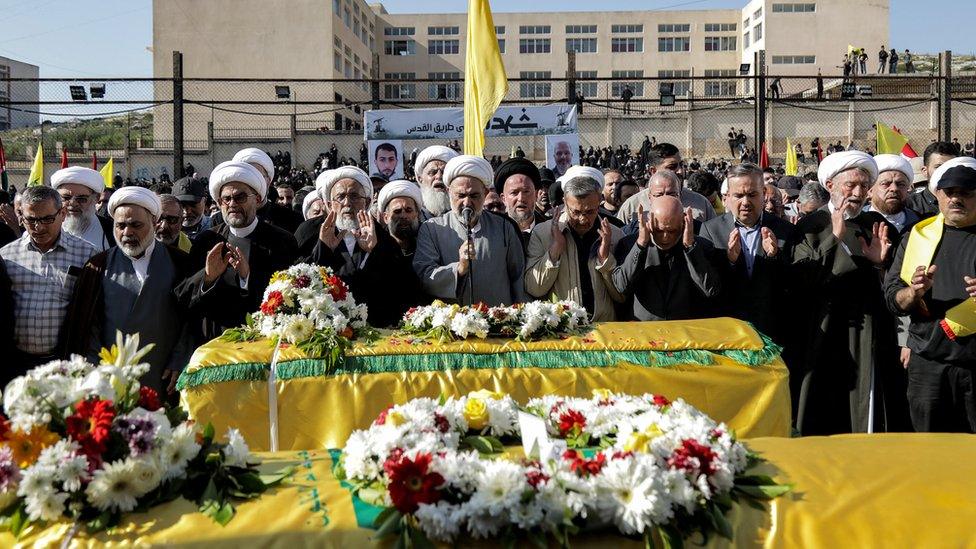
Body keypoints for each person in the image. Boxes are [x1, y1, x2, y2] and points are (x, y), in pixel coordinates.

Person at [789, 151, 901, 435]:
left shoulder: (875, 226)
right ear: (830, 185)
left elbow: (893, 284)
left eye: (864, 186)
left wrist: (878, 264)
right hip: (823, 329)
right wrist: (833, 238)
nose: (857, 192)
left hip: (866, 332)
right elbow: (803, 279)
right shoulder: (810, 227)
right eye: (850, 184)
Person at [64, 187, 192, 395]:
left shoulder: (179, 262)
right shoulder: (98, 266)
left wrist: (180, 359)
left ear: (154, 222)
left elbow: (191, 318)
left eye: (136, 225)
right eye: (120, 225)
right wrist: (97, 371)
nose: (127, 233)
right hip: (111, 379)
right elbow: (89, 326)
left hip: (165, 377)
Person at [885, 157, 976, 432]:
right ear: (937, 195)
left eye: (966, 193)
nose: (956, 199)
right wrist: (913, 292)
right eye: (950, 192)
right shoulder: (918, 236)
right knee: (929, 450)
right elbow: (893, 299)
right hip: (927, 365)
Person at [178, 161, 298, 341]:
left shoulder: (282, 241)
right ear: (219, 203)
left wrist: (246, 279)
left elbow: (291, 299)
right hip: (215, 344)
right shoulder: (207, 240)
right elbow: (183, 298)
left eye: (240, 197)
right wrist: (208, 277)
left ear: (257, 199)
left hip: (264, 341)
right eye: (226, 199)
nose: (232, 204)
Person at [1, 186, 96, 371]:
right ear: (21, 216)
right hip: (17, 362)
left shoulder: (87, 254)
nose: (39, 227)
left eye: (47, 219)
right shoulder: (7, 255)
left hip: (65, 362)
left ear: (62, 214)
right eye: (31, 220)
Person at [699, 163, 795, 344]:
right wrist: (730, 261)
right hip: (729, 332)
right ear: (727, 197)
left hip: (772, 332)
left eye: (752, 195)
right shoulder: (711, 230)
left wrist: (774, 257)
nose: (745, 202)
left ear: (764, 195)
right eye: (739, 195)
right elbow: (707, 286)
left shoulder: (785, 231)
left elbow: (792, 285)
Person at [307, 167, 414, 327]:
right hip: (329, 329)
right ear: (329, 205)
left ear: (368, 202)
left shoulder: (383, 238)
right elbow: (301, 283)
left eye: (354, 196)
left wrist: (375, 251)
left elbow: (403, 287)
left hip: (376, 331)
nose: (347, 203)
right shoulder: (312, 233)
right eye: (340, 197)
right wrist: (324, 249)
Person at [413, 155, 527, 306]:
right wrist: (459, 269)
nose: (467, 202)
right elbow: (425, 276)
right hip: (451, 326)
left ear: (485, 194)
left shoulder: (504, 227)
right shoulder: (432, 229)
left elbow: (518, 278)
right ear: (449, 192)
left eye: (474, 195)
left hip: (498, 324)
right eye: (460, 195)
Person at [525, 167, 624, 321]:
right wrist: (554, 251)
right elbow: (534, 288)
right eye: (576, 212)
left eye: (590, 212)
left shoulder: (616, 235)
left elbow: (621, 295)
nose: (583, 220)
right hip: (563, 332)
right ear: (564, 202)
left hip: (605, 332)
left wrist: (605, 260)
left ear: (599, 202)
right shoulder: (542, 233)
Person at [611, 196, 720, 320]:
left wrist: (690, 247)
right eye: (659, 230)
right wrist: (641, 245)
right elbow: (621, 286)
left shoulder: (701, 247)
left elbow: (711, 289)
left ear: (683, 223)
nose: (665, 237)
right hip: (645, 331)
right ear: (649, 222)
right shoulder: (630, 244)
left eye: (672, 231)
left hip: (686, 331)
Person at [615, 143, 716, 223]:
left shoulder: (701, 203)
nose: (680, 171)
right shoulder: (632, 206)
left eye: (681, 165)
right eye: (672, 167)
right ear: (653, 171)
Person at [232, 148, 304, 233]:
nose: (253, 183)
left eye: (259, 177)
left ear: (269, 181)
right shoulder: (223, 220)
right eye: (247, 178)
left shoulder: (293, 219)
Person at [50, 166, 115, 251]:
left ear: (96, 198)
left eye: (81, 199)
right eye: (66, 197)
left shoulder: (111, 230)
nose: (73, 203)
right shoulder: (46, 226)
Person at [493, 157, 547, 248]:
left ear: (536, 194)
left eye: (526, 192)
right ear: (503, 198)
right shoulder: (494, 231)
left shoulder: (550, 229)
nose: (521, 198)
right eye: (514, 193)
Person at [867, 154, 920, 234]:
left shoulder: (920, 224)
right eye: (885, 184)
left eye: (900, 184)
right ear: (870, 191)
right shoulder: (855, 224)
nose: (894, 189)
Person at [908, 142, 958, 219]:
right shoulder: (910, 205)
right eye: (938, 167)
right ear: (925, 171)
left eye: (950, 167)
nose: (945, 172)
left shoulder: (968, 202)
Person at [413, 145, 460, 219]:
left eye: (444, 172)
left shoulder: (462, 210)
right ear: (420, 179)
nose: (439, 176)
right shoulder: (412, 212)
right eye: (432, 172)